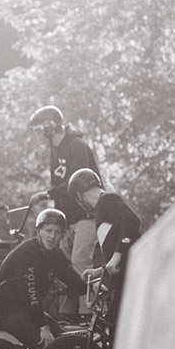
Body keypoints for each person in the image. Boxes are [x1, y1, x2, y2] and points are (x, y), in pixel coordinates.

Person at [0, 208, 88, 349]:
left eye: (57, 232)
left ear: (62, 235)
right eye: (48, 231)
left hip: (28, 309)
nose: (52, 236)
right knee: (40, 343)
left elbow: (74, 282)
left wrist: (97, 286)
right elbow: (31, 294)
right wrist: (43, 326)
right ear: (38, 232)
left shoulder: (55, 255)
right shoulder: (29, 253)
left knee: (62, 340)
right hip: (7, 309)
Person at [67, 168, 142, 348]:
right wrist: (99, 270)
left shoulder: (107, 201)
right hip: (125, 277)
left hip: (132, 278)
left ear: (79, 196)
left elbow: (132, 221)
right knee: (116, 332)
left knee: (119, 335)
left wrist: (115, 259)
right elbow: (121, 251)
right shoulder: (103, 207)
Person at [28, 105, 103, 274]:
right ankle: (68, 301)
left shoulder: (77, 146)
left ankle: (89, 301)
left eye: (38, 130)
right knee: (61, 264)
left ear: (50, 128)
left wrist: (47, 194)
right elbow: (58, 186)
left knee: (79, 261)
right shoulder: (55, 151)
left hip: (87, 215)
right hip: (68, 217)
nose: (37, 136)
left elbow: (76, 182)